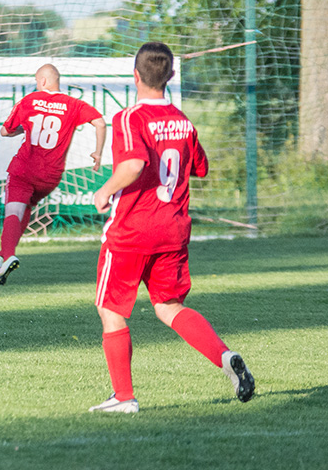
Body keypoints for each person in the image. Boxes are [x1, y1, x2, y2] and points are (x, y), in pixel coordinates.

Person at [89, 42, 254, 413]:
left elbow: (132, 165)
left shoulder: (129, 118)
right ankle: (225, 356)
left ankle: (124, 398)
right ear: (172, 76)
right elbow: (201, 167)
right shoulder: (183, 121)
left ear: (135, 76)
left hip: (133, 229)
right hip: (174, 228)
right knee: (168, 306)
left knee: (110, 309)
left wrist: (104, 191)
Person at [0, 63, 107, 286]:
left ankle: (7, 255)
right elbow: (100, 123)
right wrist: (98, 153)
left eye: (37, 81)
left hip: (24, 169)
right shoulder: (73, 104)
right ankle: (3, 253)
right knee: (26, 207)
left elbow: (5, 131)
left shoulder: (29, 100)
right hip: (50, 177)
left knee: (13, 210)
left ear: (42, 81)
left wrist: (22, 129)